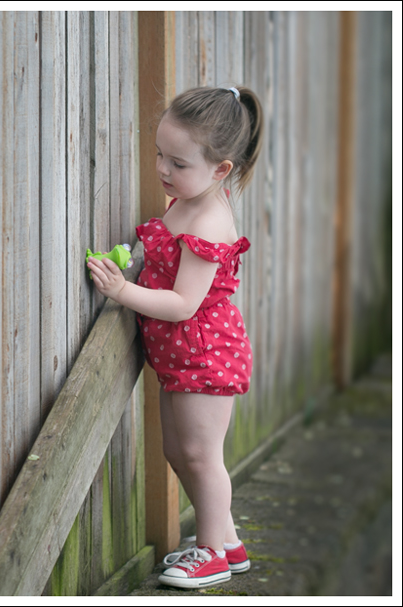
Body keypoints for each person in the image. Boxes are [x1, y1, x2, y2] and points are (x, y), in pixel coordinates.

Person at [87, 85, 262, 589]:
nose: (163, 169)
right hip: (180, 356)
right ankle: (226, 542)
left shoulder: (209, 220)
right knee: (178, 452)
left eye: (178, 163)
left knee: (202, 457)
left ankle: (211, 555)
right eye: (160, 154)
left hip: (206, 356)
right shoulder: (187, 199)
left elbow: (184, 303)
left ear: (221, 170)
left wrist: (122, 290)